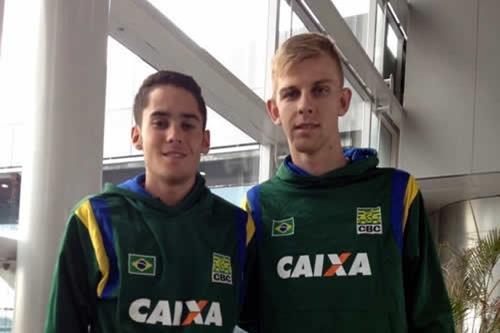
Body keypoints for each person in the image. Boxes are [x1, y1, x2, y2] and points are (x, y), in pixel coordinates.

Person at [239, 33, 454, 332]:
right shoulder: (258, 208)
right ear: (274, 110)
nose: (305, 105)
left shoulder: (397, 194)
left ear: (342, 101)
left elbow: (432, 316)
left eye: (320, 90)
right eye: (290, 94)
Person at [45, 70, 254, 332]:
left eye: (188, 125)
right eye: (160, 123)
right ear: (137, 136)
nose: (174, 135)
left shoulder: (237, 226)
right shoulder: (95, 219)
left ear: (205, 140)